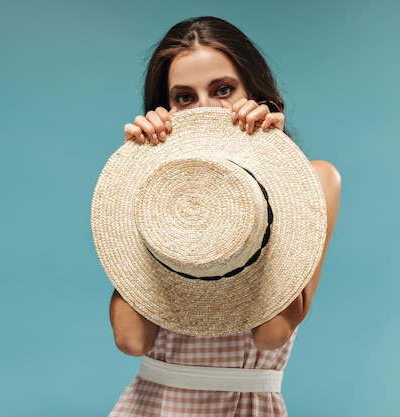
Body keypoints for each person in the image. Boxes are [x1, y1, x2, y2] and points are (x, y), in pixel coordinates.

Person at [107, 16, 341, 417]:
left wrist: (272, 177)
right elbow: (132, 340)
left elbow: (271, 334)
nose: (205, 110)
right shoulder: (154, 191)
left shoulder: (314, 180)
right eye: (184, 98)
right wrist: (139, 176)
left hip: (245, 405)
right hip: (153, 405)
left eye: (223, 90)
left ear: (255, 90)